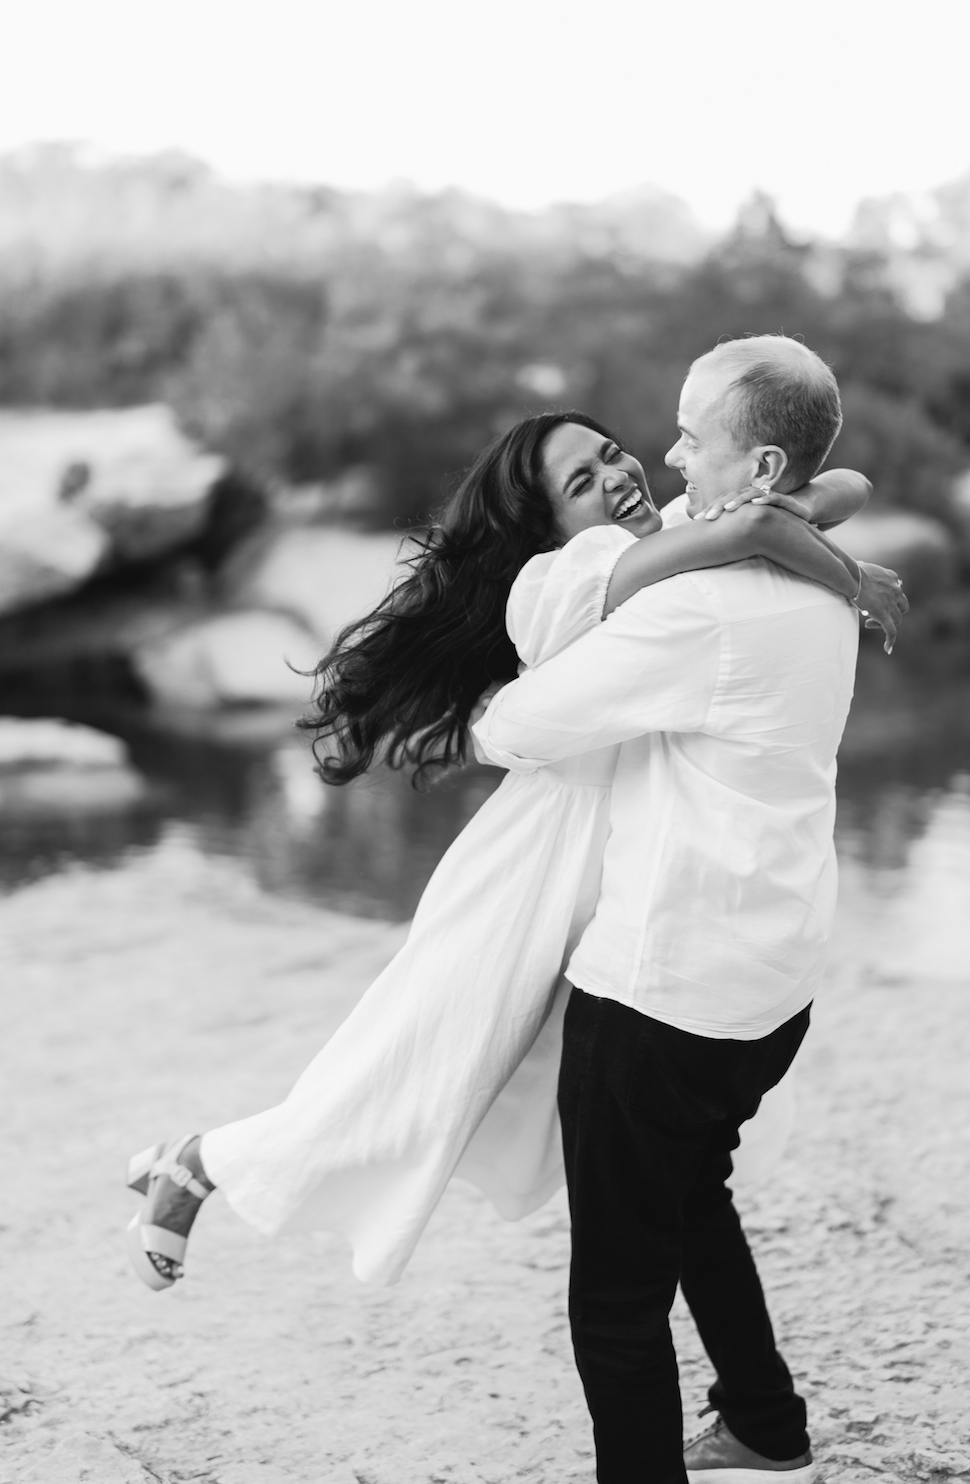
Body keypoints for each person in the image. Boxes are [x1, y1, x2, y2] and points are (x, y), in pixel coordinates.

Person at [124, 403, 902, 1296]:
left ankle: (737, 1373)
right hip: (537, 861)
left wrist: (783, 519)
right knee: (420, 1066)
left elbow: (843, 485)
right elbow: (771, 516)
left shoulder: (678, 530)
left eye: (613, 454)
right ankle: (196, 1164)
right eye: (583, 481)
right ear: (549, 524)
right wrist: (846, 576)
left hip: (620, 873)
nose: (618, 477)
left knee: (570, 1108)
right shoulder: (572, 573)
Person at [473, 337, 903, 1483]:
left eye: (688, 436)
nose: (663, 455)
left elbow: (506, 732)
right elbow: (831, 492)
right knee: (690, 1186)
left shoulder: (698, 611)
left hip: (660, 997)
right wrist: (754, 525)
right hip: (773, 986)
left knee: (614, 1299)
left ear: (760, 467)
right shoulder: (818, 572)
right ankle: (765, 1421)